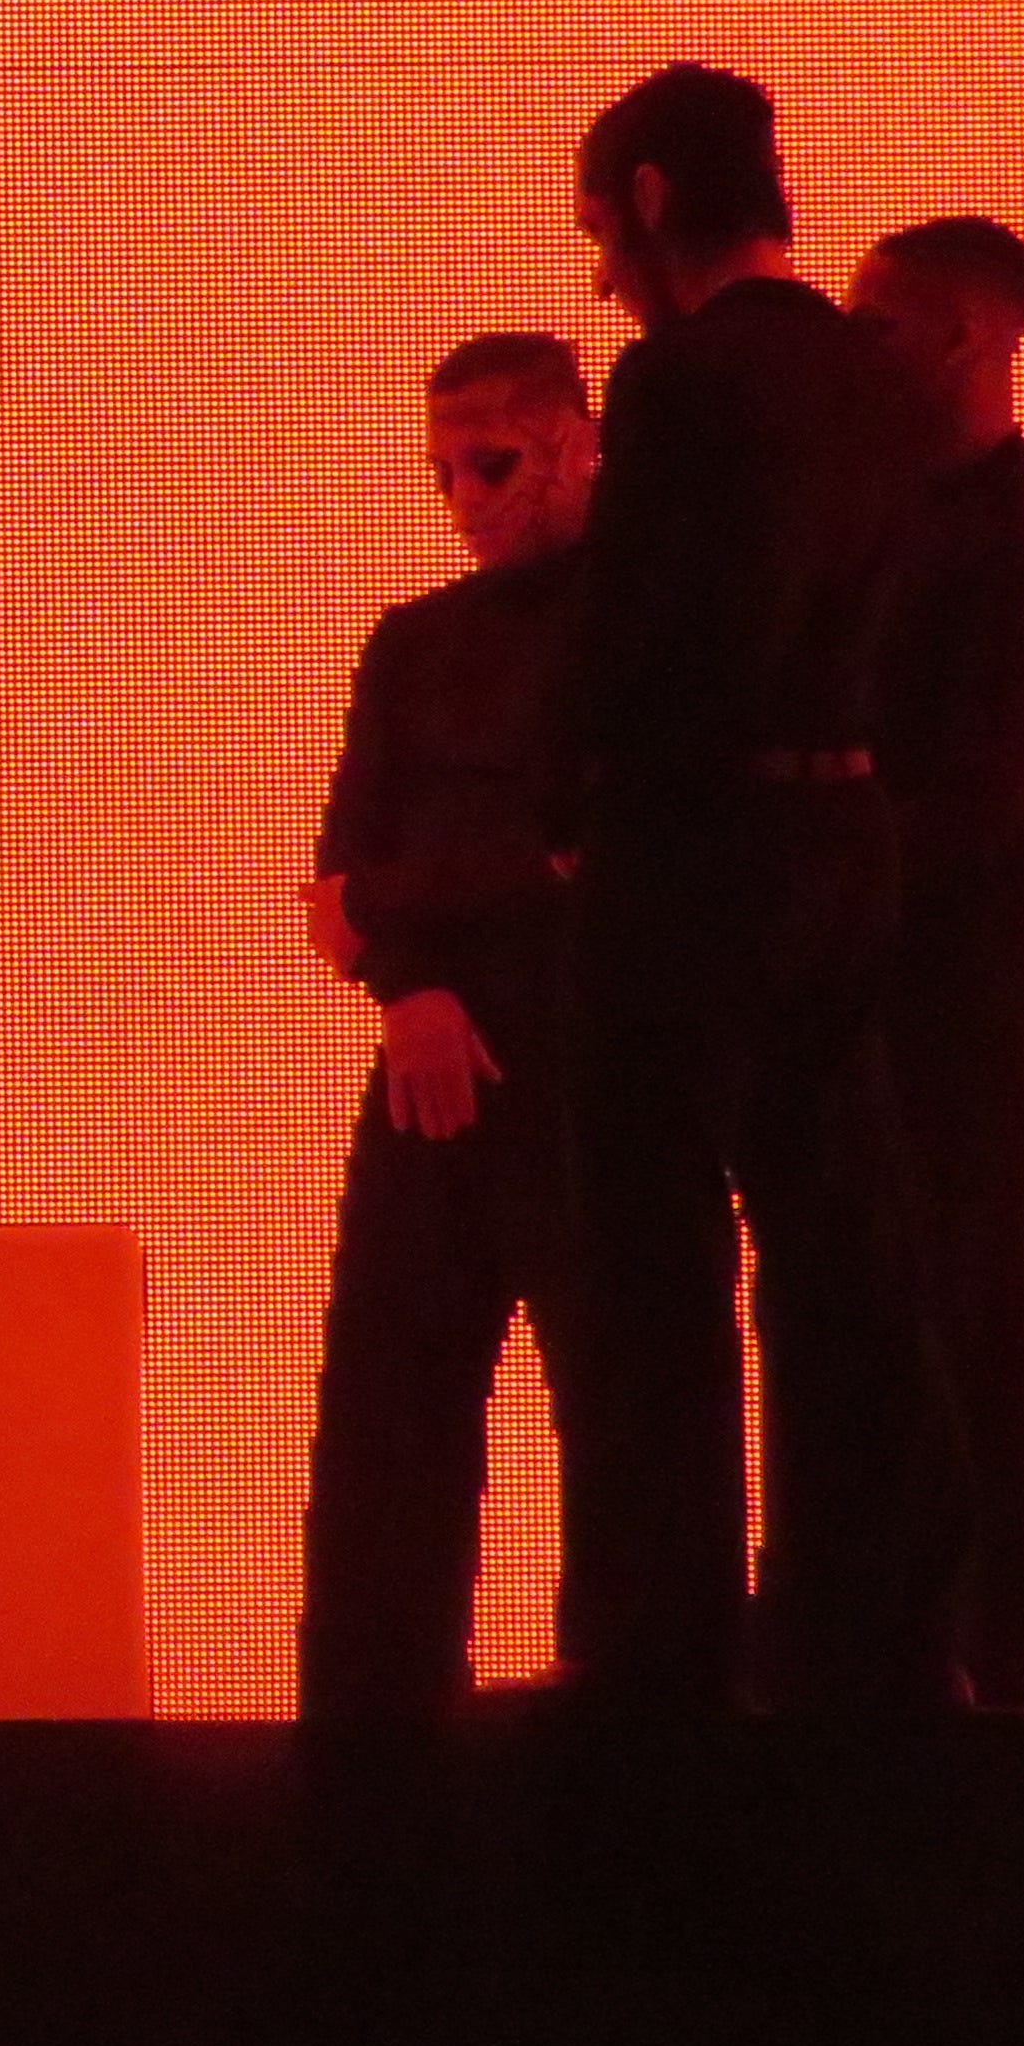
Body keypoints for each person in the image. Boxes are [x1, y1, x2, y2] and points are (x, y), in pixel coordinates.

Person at [555, 62, 957, 1714]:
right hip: (846, 836)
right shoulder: (875, 381)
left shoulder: (678, 381)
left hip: (692, 852)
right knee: (840, 1244)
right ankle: (867, 1633)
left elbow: (654, 640)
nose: (602, 273)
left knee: (649, 1252)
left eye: (601, 229)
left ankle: (664, 1647)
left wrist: (579, 799)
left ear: (652, 199)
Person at [292, 335, 595, 1722]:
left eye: (493, 464)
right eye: (448, 474)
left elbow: (590, 854)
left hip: (587, 1057)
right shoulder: (416, 643)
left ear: (576, 445)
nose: (467, 499)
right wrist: (409, 977)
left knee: (610, 1394)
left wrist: (396, 928)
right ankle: (374, 1711)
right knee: (389, 1404)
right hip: (446, 1047)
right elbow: (340, 875)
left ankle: (617, 1696)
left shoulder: (632, 631)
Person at [849, 215, 1024, 1712]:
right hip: (906, 956)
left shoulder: (1015, 550)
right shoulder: (900, 517)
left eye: (879, 321)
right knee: (907, 1303)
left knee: (983, 1298)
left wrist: (812, 856)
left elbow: (968, 807)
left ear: (961, 337)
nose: (853, 347)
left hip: (968, 971)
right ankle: (927, 1638)